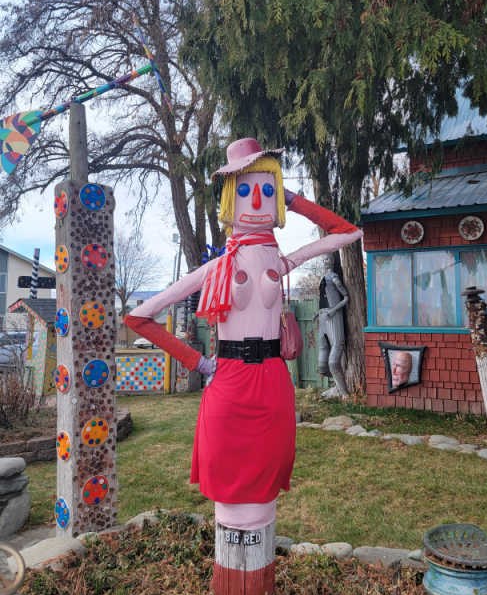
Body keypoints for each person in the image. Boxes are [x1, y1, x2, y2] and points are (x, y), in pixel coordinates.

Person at [124, 136, 362, 539]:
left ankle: (256, 579)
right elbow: (138, 317)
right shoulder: (216, 268)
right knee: (230, 505)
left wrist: (291, 198)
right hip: (228, 383)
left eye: (266, 191)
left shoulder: (282, 261)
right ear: (231, 199)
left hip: (271, 382)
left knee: (265, 494)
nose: (257, 202)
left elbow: (347, 231)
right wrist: (197, 363)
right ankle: (235, 579)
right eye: (247, 190)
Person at [317, 256, 350, 398]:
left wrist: (334, 310)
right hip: (323, 317)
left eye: (327, 259)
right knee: (322, 366)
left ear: (332, 261)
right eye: (323, 259)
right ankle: (336, 387)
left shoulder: (334, 278)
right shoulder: (322, 278)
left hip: (333, 317)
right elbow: (323, 298)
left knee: (333, 362)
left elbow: (346, 297)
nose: (325, 261)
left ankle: (344, 394)